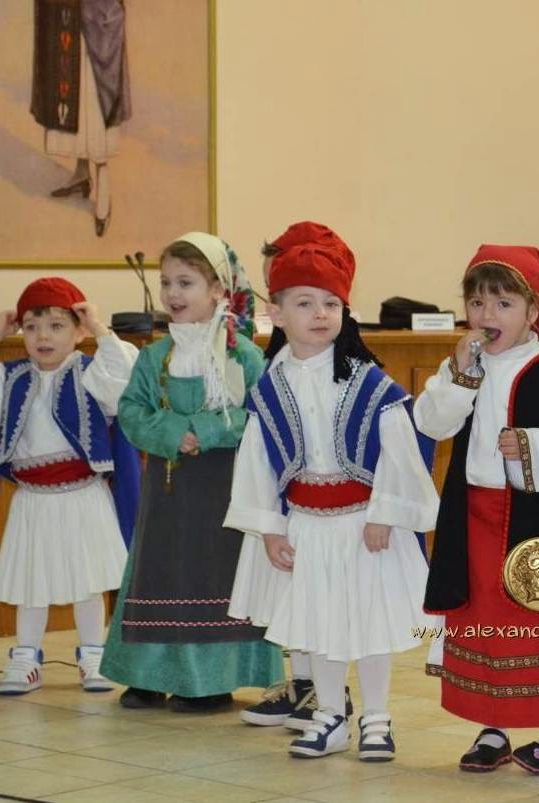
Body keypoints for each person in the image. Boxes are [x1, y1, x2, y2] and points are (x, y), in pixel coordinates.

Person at [225, 243, 438, 760]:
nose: (320, 314)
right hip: (307, 527)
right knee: (319, 623)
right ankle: (329, 716)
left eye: (331, 303)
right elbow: (257, 461)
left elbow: (399, 451)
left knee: (368, 624)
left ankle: (377, 719)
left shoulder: (369, 382)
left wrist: (385, 514)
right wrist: (270, 528)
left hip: (364, 526)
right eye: (305, 303)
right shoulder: (270, 388)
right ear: (276, 313)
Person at [415, 244, 539, 775]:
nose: (487, 315)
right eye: (477, 303)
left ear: (533, 311)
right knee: (483, 621)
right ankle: (493, 726)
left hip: (536, 522)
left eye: (503, 304)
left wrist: (529, 445)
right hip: (472, 518)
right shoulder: (463, 365)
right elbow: (432, 423)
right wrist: (459, 377)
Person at [100, 232, 284, 712]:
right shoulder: (153, 357)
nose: (173, 294)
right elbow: (132, 411)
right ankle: (146, 674)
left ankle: (210, 681)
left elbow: (262, 416)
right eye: (166, 283)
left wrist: (204, 429)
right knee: (159, 570)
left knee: (212, 573)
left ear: (218, 289)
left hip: (224, 488)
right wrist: (172, 433)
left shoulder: (243, 356)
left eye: (186, 283)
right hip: (167, 489)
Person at [0, 277, 139, 694]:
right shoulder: (9, 379)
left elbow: (127, 376)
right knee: (31, 581)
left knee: (88, 580)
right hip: (33, 500)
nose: (43, 337)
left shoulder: (93, 374)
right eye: (31, 327)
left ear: (78, 332)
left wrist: (98, 327)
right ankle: (26, 656)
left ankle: (94, 653)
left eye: (56, 326)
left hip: (84, 495)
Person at [236, 221, 358, 730]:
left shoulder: (346, 366)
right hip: (287, 501)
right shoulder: (282, 364)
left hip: (327, 504)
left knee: (322, 596)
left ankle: (330, 693)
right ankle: (304, 684)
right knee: (291, 593)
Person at [32, 0, 131, 236]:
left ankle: (103, 194)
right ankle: (82, 174)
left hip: (97, 21)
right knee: (74, 100)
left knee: (94, 103)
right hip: (64, 18)